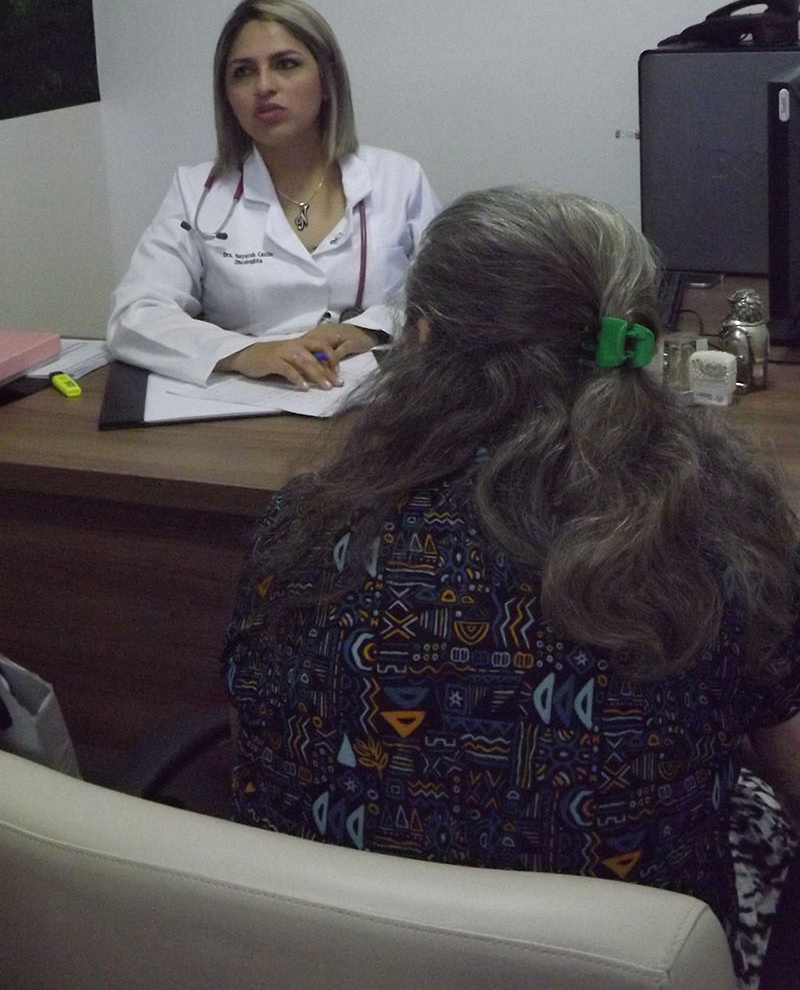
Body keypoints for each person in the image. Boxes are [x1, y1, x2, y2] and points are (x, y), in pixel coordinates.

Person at [223, 187, 800, 988]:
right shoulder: (713, 533)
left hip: (330, 960)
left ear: (421, 339)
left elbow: (257, 731)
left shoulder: (305, 523)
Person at [107, 0, 439, 388]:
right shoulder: (197, 191)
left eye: (286, 64)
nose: (263, 86)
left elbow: (452, 295)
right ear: (227, 96)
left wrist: (371, 328)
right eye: (243, 72)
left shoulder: (399, 179)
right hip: (252, 404)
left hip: (380, 402)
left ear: (327, 81)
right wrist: (245, 353)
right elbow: (135, 315)